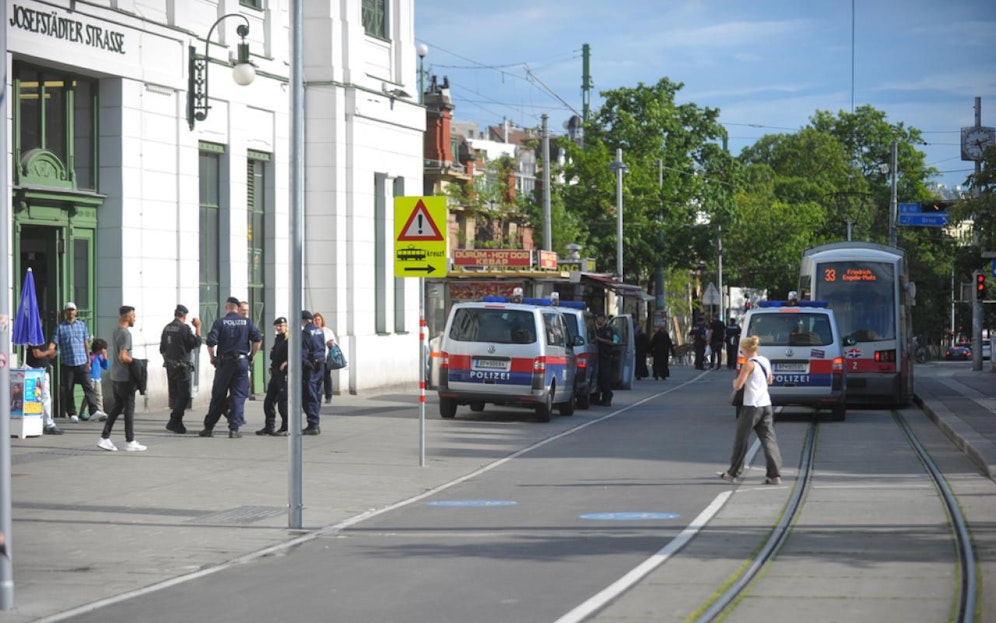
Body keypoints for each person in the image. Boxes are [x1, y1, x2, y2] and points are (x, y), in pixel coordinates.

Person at [719, 335, 782, 484]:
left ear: (747, 350)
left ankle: (732, 472)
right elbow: (770, 380)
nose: (742, 353)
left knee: (741, 439)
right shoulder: (765, 361)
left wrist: (736, 381)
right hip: (766, 404)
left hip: (751, 406)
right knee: (768, 440)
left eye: (742, 351)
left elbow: (738, 385)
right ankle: (774, 475)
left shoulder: (749, 365)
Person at [199, 297, 263, 439]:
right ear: (238, 308)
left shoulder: (220, 322)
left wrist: (212, 358)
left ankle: (208, 428)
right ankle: (234, 429)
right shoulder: (247, 322)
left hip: (224, 363)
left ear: (226, 308)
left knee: (218, 396)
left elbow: (210, 343)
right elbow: (258, 340)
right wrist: (251, 356)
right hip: (241, 362)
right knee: (238, 397)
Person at [97, 305, 147, 452]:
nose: (135, 319)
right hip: (125, 377)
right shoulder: (126, 334)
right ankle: (130, 441)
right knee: (129, 409)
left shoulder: (116, 331)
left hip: (115, 376)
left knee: (117, 407)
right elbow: (123, 356)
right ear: (127, 316)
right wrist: (136, 363)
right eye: (133, 316)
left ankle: (104, 438)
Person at [52, 301, 102, 421]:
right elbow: (54, 343)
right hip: (67, 362)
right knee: (69, 389)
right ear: (65, 312)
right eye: (68, 310)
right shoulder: (60, 327)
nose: (71, 312)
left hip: (82, 361)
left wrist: (88, 359)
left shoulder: (82, 325)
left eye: (72, 310)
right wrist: (50, 352)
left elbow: (85, 343)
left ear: (76, 311)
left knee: (88, 386)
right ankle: (72, 413)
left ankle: (94, 410)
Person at [160, 304, 202, 434]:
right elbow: (196, 343)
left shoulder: (166, 328)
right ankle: (174, 421)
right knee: (184, 395)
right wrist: (198, 327)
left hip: (170, 366)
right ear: (184, 316)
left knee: (176, 395)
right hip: (182, 366)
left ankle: (176, 421)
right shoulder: (184, 328)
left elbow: (162, 349)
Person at [257, 316, 289, 436]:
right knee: (268, 401)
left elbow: (296, 354)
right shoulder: (278, 339)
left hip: (284, 375)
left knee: (283, 403)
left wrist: (287, 362)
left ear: (286, 326)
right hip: (275, 374)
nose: (278, 328)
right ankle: (269, 426)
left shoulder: (289, 339)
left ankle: (286, 426)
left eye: (281, 326)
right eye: (277, 326)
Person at [26, 338, 63, 435]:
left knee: (42, 397)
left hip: (41, 370)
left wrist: (49, 354)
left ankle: (44, 422)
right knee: (44, 397)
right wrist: (49, 351)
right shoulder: (34, 336)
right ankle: (48, 423)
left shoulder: (38, 335)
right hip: (37, 371)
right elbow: (36, 353)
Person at [300, 310, 326, 434]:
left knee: (309, 396)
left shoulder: (305, 332)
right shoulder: (319, 330)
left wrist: (302, 364)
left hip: (310, 367)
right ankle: (316, 422)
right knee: (317, 394)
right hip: (320, 365)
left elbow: (303, 352)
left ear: (303, 320)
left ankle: (313, 424)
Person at [80, 338, 109, 421]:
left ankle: (100, 412)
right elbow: (87, 366)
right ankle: (82, 412)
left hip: (98, 379)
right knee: (88, 396)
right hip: (90, 379)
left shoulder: (100, 357)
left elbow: (106, 367)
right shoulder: (91, 357)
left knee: (99, 396)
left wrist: (105, 358)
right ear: (99, 349)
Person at [592, 312, 617, 407]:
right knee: (597, 379)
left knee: (605, 379)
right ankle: (596, 398)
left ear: (604, 319)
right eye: (598, 318)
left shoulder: (608, 330)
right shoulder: (594, 329)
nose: (599, 320)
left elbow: (611, 342)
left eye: (601, 318)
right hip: (595, 357)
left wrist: (599, 339)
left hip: (605, 357)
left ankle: (607, 398)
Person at [313, 312, 338, 403]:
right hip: (316, 358)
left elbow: (334, 344)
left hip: (326, 357)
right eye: (315, 320)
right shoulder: (312, 331)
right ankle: (316, 395)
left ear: (322, 320)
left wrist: (331, 343)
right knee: (317, 377)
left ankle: (328, 396)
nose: (317, 321)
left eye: (318, 320)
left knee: (326, 377)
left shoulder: (327, 331)